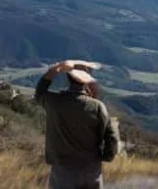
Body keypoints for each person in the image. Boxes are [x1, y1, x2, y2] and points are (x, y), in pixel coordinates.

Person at [35, 59, 122, 189]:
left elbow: (39, 93)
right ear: (88, 79)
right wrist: (107, 156)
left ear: (69, 78)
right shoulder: (97, 107)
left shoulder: (54, 102)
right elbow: (112, 136)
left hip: (63, 172)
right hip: (91, 170)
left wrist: (55, 69)